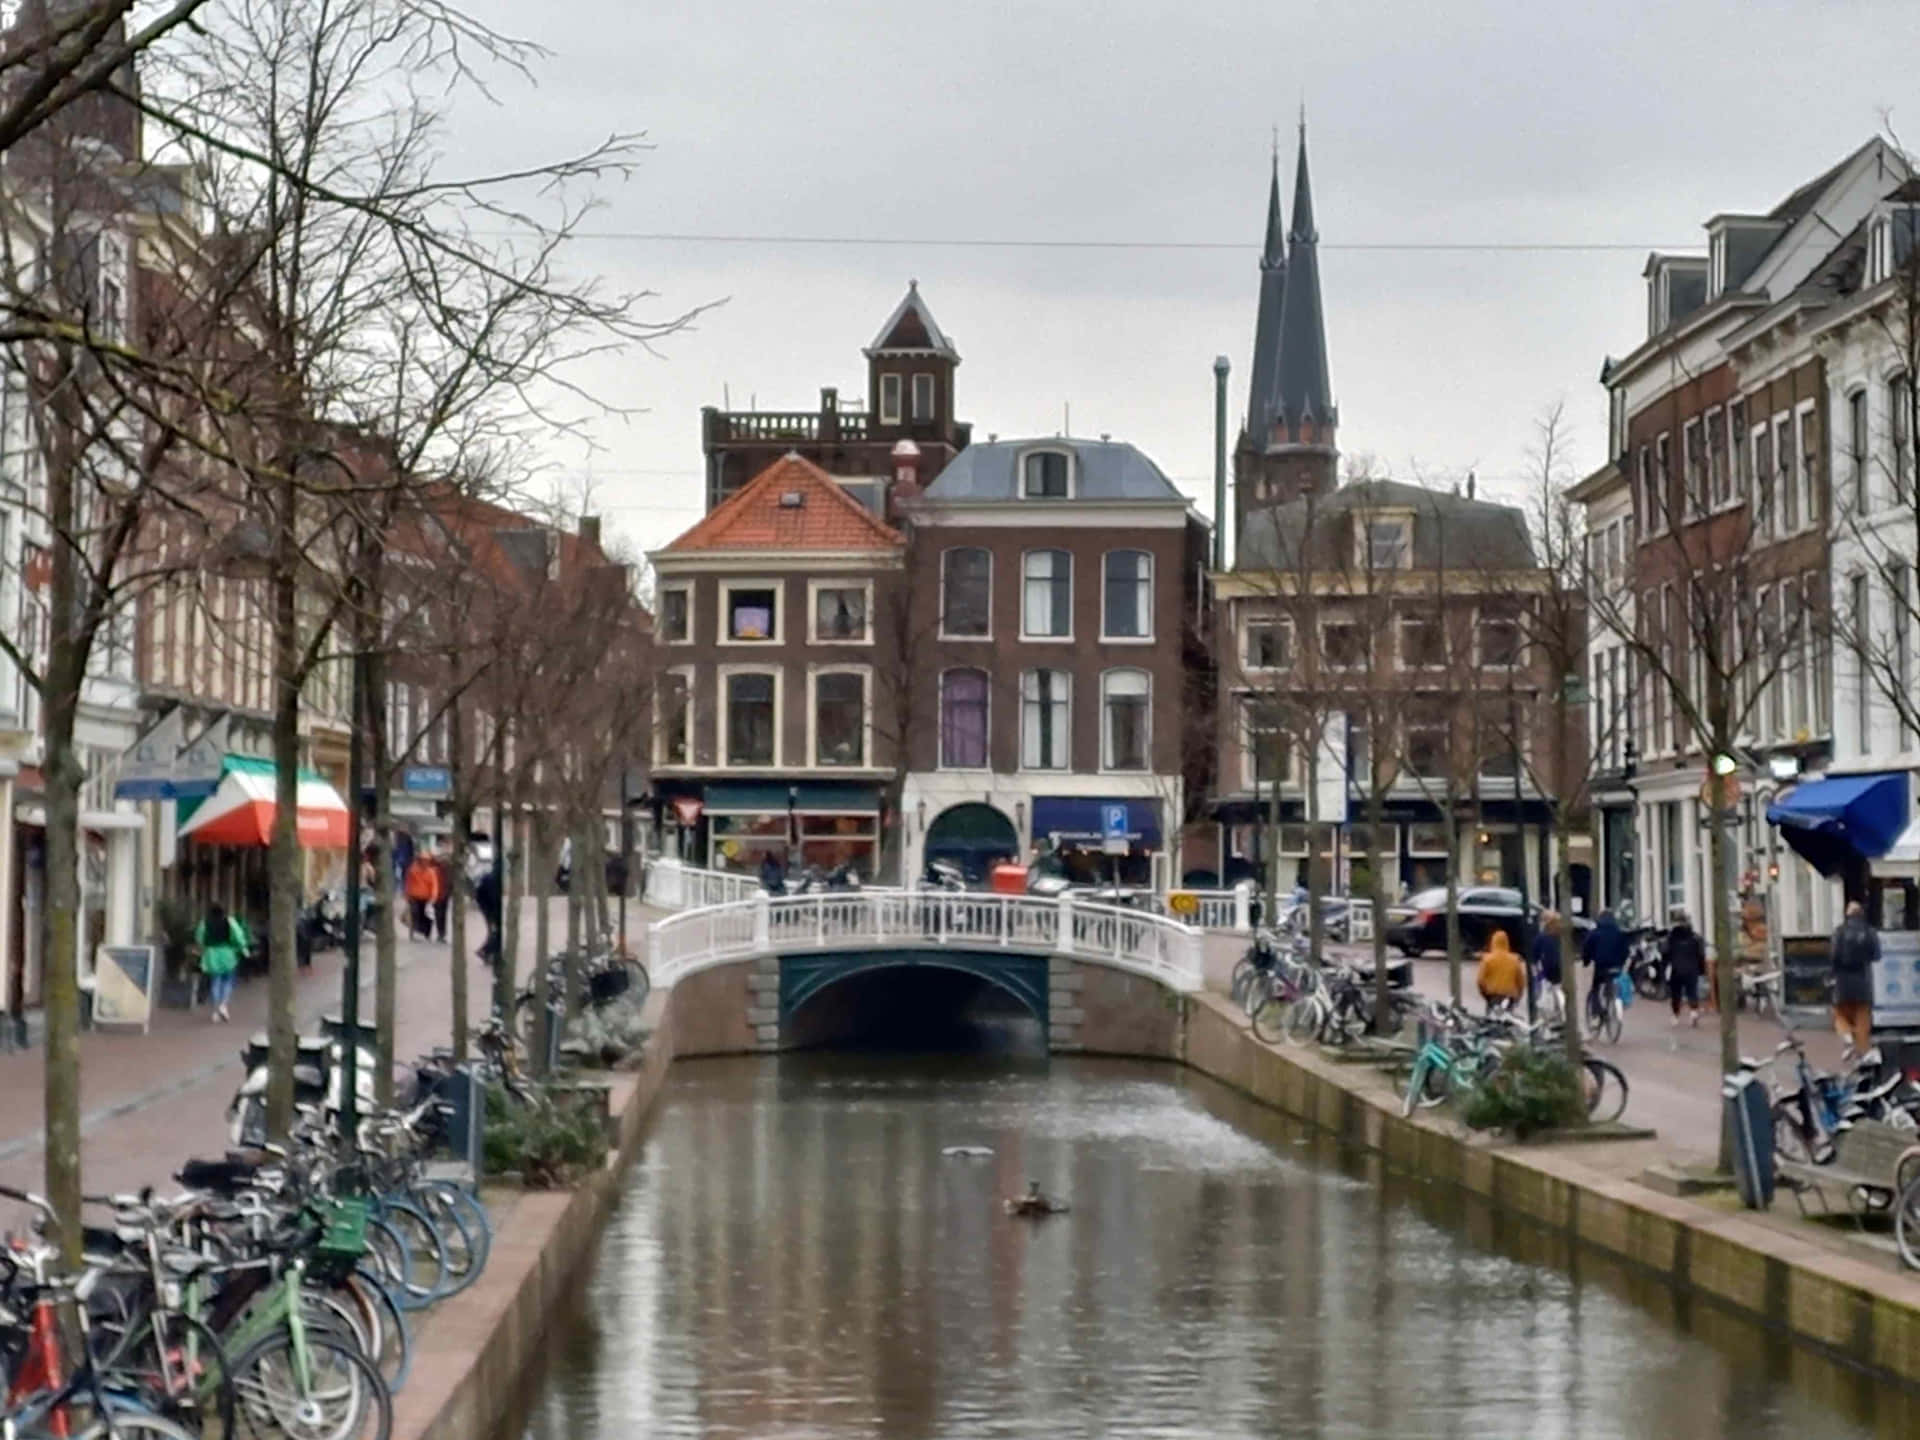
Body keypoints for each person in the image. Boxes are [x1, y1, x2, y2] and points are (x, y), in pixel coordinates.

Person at [1830, 900, 1881, 1052]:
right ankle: (1863, 1052)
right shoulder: (1870, 931)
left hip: (1843, 982)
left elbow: (1834, 955)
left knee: (1840, 1014)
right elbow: (1876, 955)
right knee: (1862, 1019)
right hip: (1863, 980)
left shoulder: (1839, 931)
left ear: (1847, 914)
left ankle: (1846, 1035)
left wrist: (1832, 973)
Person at [196, 901, 249, 1024]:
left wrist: (204, 947)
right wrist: (242, 948)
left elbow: (199, 937)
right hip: (227, 954)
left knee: (215, 981)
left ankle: (215, 1010)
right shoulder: (230, 922)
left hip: (211, 955)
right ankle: (223, 1005)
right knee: (228, 981)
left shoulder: (205, 923)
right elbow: (238, 936)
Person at [1582, 906, 1630, 1033]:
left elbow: (1587, 949)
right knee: (1613, 983)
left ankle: (1596, 1012)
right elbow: (1626, 951)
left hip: (1601, 967)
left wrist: (1586, 961)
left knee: (1595, 988)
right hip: (1616, 967)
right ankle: (1612, 1000)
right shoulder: (1619, 933)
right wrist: (1622, 962)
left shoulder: (1595, 933)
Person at [1662, 907, 1706, 1029]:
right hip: (1692, 969)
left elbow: (1665, 953)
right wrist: (1701, 969)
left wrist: (1665, 965)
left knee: (1676, 994)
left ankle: (1676, 1016)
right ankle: (1693, 1013)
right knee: (1692, 992)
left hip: (1676, 969)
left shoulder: (1671, 937)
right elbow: (1701, 954)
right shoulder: (1695, 937)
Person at [1475, 929, 1527, 1014]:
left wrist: (1485, 994)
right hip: (1509, 997)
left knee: (1491, 1021)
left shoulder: (1487, 960)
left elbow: (1480, 981)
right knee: (1508, 1020)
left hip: (1493, 996)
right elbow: (1521, 981)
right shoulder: (1514, 960)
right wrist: (1518, 996)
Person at [404, 848, 442, 941]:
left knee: (427, 917)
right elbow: (408, 883)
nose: (425, 862)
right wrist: (407, 895)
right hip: (415, 897)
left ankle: (426, 933)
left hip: (427, 898)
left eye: (427, 860)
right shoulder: (413, 870)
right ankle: (416, 932)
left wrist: (433, 898)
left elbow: (434, 885)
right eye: (423, 860)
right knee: (415, 914)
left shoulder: (431, 872)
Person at [1531, 909, 1563, 999]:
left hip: (1548, 969)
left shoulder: (1542, 936)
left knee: (1536, 979)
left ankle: (1536, 999)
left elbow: (1535, 954)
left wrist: (1534, 963)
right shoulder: (1562, 935)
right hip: (1562, 968)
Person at [429, 842, 453, 943]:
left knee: (439, 914)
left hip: (440, 893)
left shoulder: (437, 866)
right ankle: (441, 933)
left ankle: (441, 933)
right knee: (441, 914)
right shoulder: (445, 866)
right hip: (441, 893)